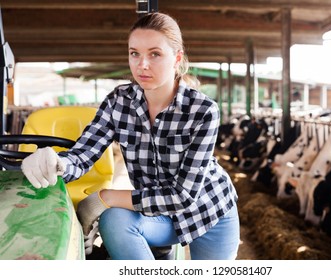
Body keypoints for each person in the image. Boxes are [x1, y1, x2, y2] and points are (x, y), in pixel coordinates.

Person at [21, 12, 239, 260]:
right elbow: (82, 155)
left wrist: (104, 197)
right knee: (114, 219)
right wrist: (56, 164)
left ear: (177, 58)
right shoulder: (119, 102)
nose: (142, 64)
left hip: (208, 211)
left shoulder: (202, 110)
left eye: (155, 54)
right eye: (134, 53)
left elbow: (183, 197)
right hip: (155, 214)